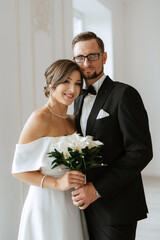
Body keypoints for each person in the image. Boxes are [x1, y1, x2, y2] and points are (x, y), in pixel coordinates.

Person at [71, 31, 153, 240]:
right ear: (74, 60)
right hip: (85, 206)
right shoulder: (78, 98)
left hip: (117, 206)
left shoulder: (124, 94)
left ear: (104, 57)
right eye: (80, 57)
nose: (86, 62)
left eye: (92, 56)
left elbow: (140, 152)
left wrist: (96, 189)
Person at [12, 59, 89, 240]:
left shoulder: (73, 120)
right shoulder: (39, 118)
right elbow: (18, 170)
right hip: (46, 203)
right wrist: (57, 183)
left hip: (71, 203)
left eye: (78, 83)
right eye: (66, 81)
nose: (72, 89)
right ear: (51, 83)